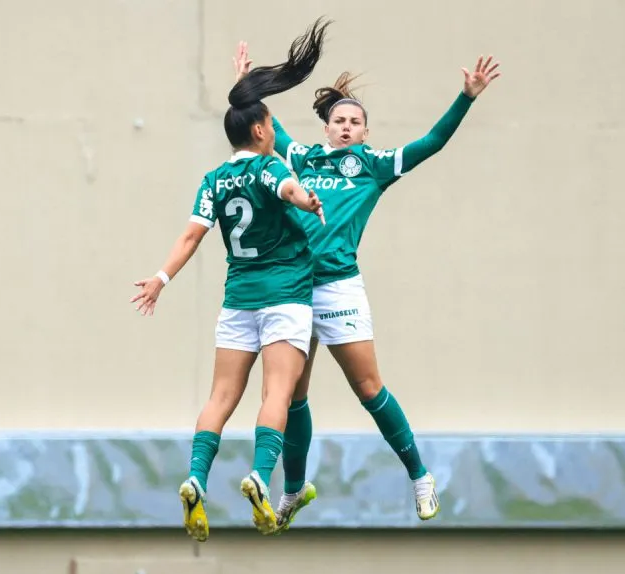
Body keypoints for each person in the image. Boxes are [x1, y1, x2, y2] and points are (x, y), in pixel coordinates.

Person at [232, 44, 501, 530]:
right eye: (339, 120)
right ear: (327, 127)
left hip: (338, 289)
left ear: (365, 132)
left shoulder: (374, 165)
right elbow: (266, 126)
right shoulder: (303, 157)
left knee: (369, 388)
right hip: (294, 287)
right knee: (292, 395)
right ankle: (293, 490)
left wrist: (467, 97)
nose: (346, 126)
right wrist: (246, 85)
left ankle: (419, 476)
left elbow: (431, 142)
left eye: (355, 122)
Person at [130, 19, 331, 542]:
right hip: (284, 296)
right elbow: (286, 187)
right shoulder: (269, 168)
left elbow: (190, 237)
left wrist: (160, 279)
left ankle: (196, 478)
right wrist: (306, 199)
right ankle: (260, 477)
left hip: (238, 300)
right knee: (278, 393)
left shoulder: (214, 180)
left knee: (220, 397)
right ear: (260, 131)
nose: (272, 130)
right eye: (269, 123)